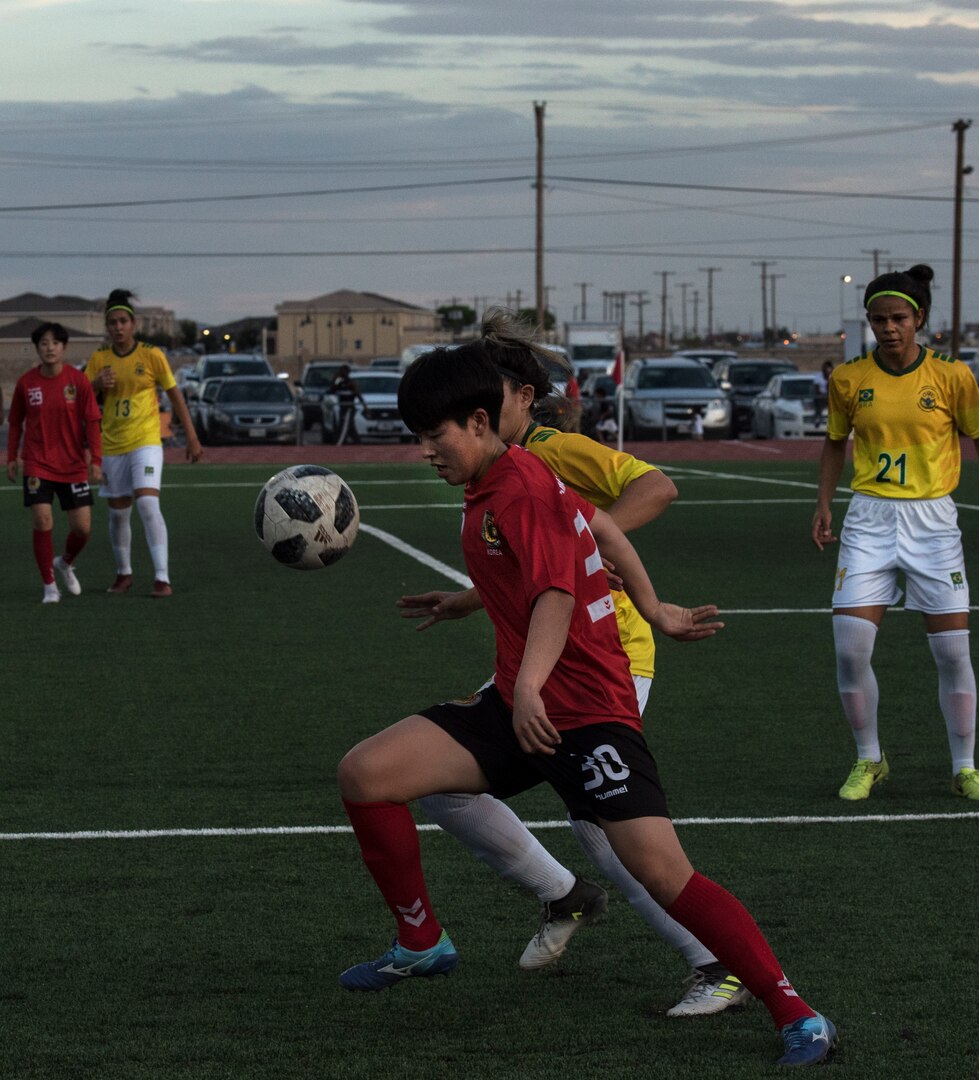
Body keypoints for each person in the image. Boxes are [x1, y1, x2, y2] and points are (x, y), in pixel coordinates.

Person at [337, 339, 836, 1066]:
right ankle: (422, 943)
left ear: (477, 422)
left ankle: (794, 1010)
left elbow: (555, 591)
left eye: (433, 436)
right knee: (367, 774)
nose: (425, 452)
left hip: (587, 713)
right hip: (523, 702)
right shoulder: (514, 473)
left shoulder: (519, 485)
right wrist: (653, 606)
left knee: (661, 870)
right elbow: (595, 528)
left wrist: (534, 685)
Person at [398, 313, 750, 1017]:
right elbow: (533, 558)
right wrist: (473, 600)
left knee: (603, 825)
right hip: (538, 664)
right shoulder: (495, 471)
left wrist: (598, 568)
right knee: (438, 785)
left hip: (603, 656)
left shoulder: (553, 451)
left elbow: (652, 490)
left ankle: (714, 963)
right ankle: (564, 895)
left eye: (492, 391)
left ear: (522, 397)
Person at [812, 264, 979, 803]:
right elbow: (835, 442)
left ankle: (965, 767)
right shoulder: (849, 379)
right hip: (869, 520)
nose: (888, 327)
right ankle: (869, 759)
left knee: (952, 652)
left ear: (919, 318)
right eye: (878, 319)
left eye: (898, 318)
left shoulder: (952, 376)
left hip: (933, 524)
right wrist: (824, 504)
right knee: (850, 649)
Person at [83, 289, 202, 598]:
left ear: (133, 324)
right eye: (113, 322)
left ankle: (162, 578)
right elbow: (81, 402)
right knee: (118, 513)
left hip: (146, 440)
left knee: (148, 503)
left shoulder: (151, 355)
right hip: (112, 444)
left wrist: (191, 436)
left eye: (123, 321)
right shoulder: (99, 359)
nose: (118, 327)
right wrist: (95, 385)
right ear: (107, 327)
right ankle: (124, 574)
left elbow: (175, 395)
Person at [7, 322, 102, 603]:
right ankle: (49, 584)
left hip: (72, 465)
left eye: (55, 343)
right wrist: (12, 456)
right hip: (37, 462)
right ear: (37, 348)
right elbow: (15, 423)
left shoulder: (78, 381)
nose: (50, 348)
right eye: (44, 343)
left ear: (64, 347)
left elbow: (93, 421)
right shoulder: (27, 383)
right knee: (42, 519)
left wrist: (95, 460)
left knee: (82, 529)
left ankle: (65, 562)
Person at [328, 364, 365, 445]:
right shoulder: (339, 382)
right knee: (351, 428)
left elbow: (358, 394)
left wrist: (364, 406)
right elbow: (332, 389)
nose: (341, 373)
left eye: (343, 371)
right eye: (341, 371)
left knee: (343, 426)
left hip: (348, 408)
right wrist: (336, 378)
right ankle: (358, 443)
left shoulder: (351, 382)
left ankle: (338, 443)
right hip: (342, 408)